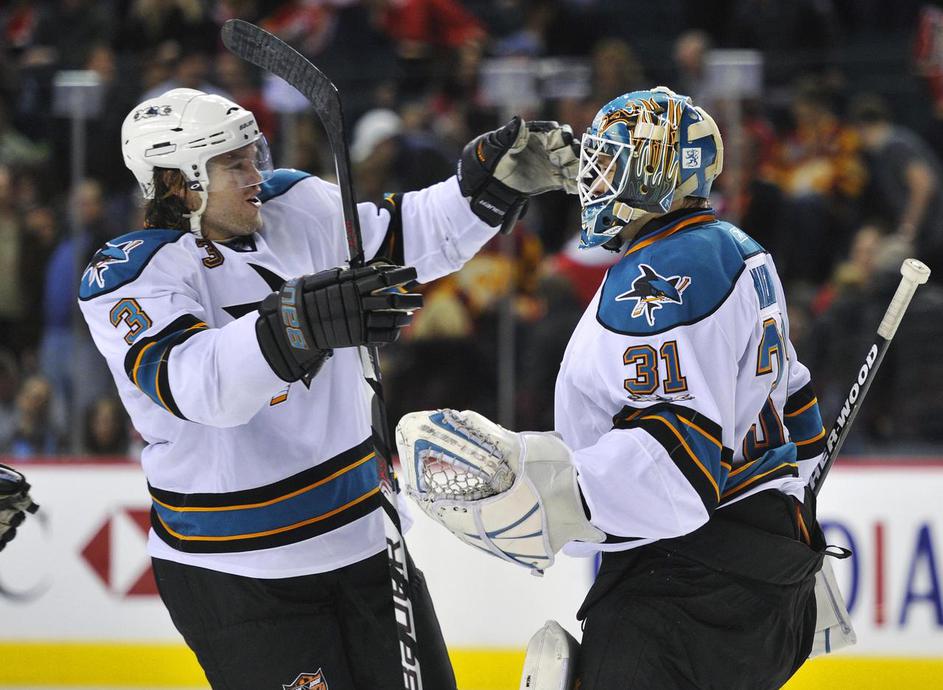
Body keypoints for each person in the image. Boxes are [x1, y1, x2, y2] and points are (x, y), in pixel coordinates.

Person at [77, 87, 577, 689]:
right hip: (240, 571)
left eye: (251, 154)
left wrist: (484, 194)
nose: (254, 173)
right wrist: (296, 324)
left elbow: (407, 235)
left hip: (365, 537)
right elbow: (200, 387)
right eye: (231, 164)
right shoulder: (130, 276)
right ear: (178, 182)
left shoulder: (297, 205)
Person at [397, 87, 833, 689]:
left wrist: (544, 485)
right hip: (767, 576)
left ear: (661, 173)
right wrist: (791, 519)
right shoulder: (741, 251)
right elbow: (795, 401)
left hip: (685, 586)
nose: (593, 179)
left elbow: (681, 470)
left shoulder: (663, 278)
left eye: (613, 161)